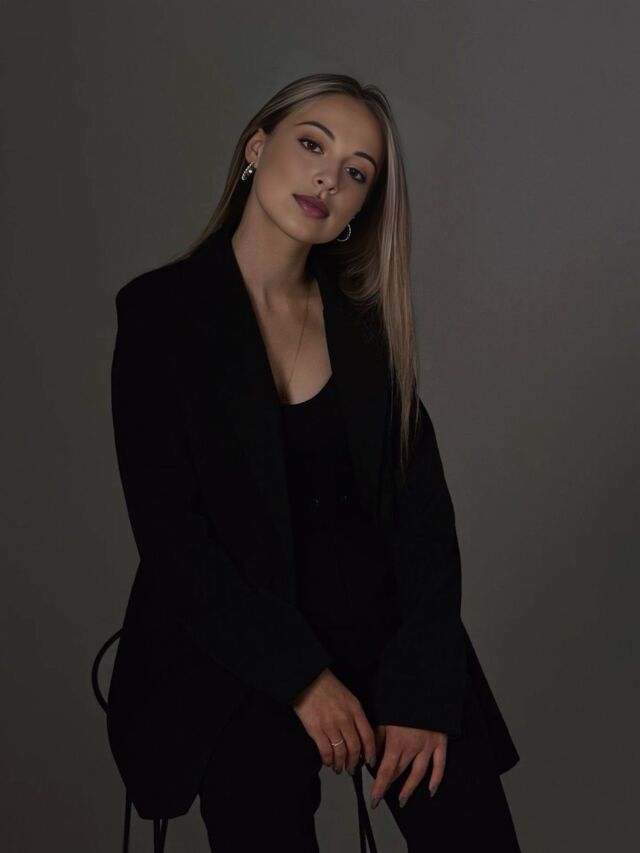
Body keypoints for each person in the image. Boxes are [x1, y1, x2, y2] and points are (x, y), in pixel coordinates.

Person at [107, 72, 522, 852]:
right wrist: (300, 676)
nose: (330, 177)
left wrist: (423, 688)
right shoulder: (160, 313)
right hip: (240, 650)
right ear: (255, 148)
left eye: (357, 171)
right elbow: (173, 540)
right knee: (257, 798)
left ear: (358, 209)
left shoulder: (365, 328)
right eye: (312, 144)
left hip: (386, 638)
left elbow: (425, 527)